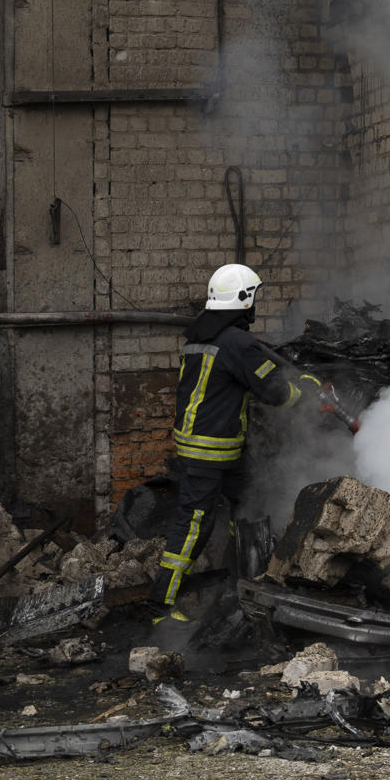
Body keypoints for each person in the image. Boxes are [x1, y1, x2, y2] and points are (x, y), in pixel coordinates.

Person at [150, 263, 322, 623]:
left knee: (246, 502)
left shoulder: (202, 336)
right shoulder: (236, 342)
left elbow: (247, 375)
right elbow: (274, 392)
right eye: (254, 296)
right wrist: (303, 392)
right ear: (244, 299)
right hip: (209, 450)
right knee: (194, 522)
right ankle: (161, 606)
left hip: (214, 445)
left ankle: (239, 579)